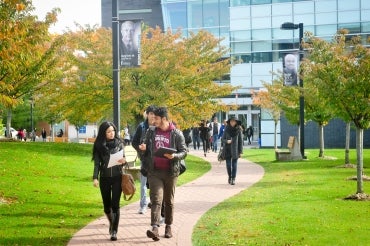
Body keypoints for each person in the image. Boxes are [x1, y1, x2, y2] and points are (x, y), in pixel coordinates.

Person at [139, 106, 187, 241]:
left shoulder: (176, 133)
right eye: (153, 118)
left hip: (171, 172)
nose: (153, 120)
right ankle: (154, 228)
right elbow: (146, 147)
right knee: (156, 199)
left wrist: (175, 156)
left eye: (156, 118)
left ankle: (168, 226)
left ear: (164, 119)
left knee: (169, 201)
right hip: (154, 171)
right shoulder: (151, 131)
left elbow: (184, 152)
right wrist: (143, 148)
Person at [92, 121, 127, 241]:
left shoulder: (120, 143)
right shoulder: (98, 146)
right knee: (107, 207)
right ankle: (112, 223)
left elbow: (125, 159)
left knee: (115, 205)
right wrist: (95, 178)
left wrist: (124, 161)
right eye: (108, 131)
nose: (112, 133)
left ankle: (114, 231)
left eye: (113, 131)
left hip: (117, 177)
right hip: (105, 179)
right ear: (103, 133)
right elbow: (97, 164)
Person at [132, 105, 157, 215]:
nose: (153, 116)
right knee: (143, 184)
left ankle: (153, 203)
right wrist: (140, 149)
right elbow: (134, 142)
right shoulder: (141, 127)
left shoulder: (158, 127)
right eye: (151, 114)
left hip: (156, 160)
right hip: (145, 160)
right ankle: (143, 206)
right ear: (147, 114)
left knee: (154, 184)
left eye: (154, 114)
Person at [221, 116, 243, 185]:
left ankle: (233, 178)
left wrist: (240, 151)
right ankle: (229, 177)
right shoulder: (226, 129)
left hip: (235, 150)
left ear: (236, 122)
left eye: (234, 121)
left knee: (234, 165)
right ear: (229, 122)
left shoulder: (239, 130)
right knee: (228, 165)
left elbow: (240, 141)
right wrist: (227, 141)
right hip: (227, 150)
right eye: (231, 121)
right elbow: (222, 139)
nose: (232, 122)